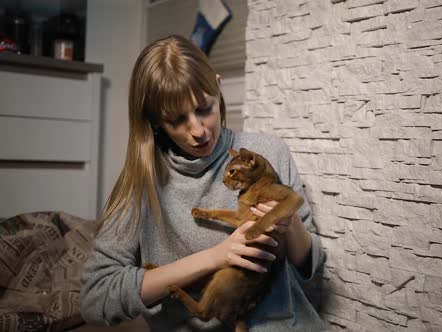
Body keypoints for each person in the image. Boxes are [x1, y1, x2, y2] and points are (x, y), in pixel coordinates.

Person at [80, 35, 326, 331]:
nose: (198, 130)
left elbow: (310, 269)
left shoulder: (269, 151)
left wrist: (289, 222)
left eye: (205, 108)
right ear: (156, 121)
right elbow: (97, 298)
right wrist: (215, 257)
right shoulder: (142, 183)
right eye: (177, 120)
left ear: (218, 88)